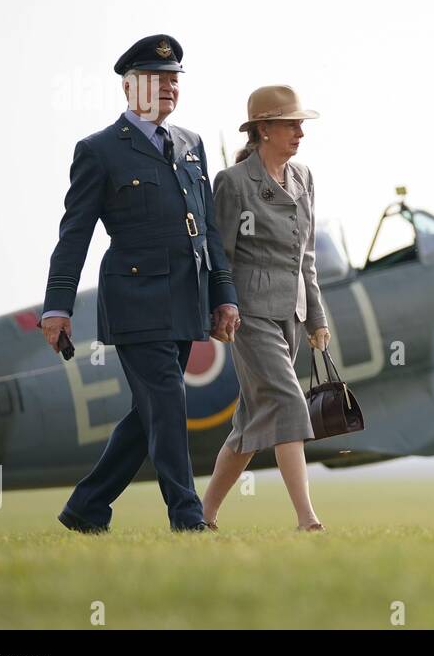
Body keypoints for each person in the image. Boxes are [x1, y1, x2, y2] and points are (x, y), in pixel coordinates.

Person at [40, 34, 241, 534]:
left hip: (186, 299)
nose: (171, 87)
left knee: (150, 411)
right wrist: (56, 307)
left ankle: (88, 507)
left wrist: (224, 296)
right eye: (159, 79)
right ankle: (187, 516)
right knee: (169, 399)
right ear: (131, 88)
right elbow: (74, 236)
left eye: (175, 79)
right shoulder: (99, 151)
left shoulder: (191, 146)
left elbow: (208, 229)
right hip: (135, 300)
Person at [201, 84, 331, 532]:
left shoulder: (304, 178)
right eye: (290, 124)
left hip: (290, 314)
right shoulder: (233, 183)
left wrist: (316, 319)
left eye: (301, 124)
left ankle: (203, 518)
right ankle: (307, 519)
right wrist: (223, 307)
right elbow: (221, 256)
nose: (300, 133)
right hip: (250, 314)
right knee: (289, 404)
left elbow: (306, 256)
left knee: (248, 426)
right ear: (263, 129)